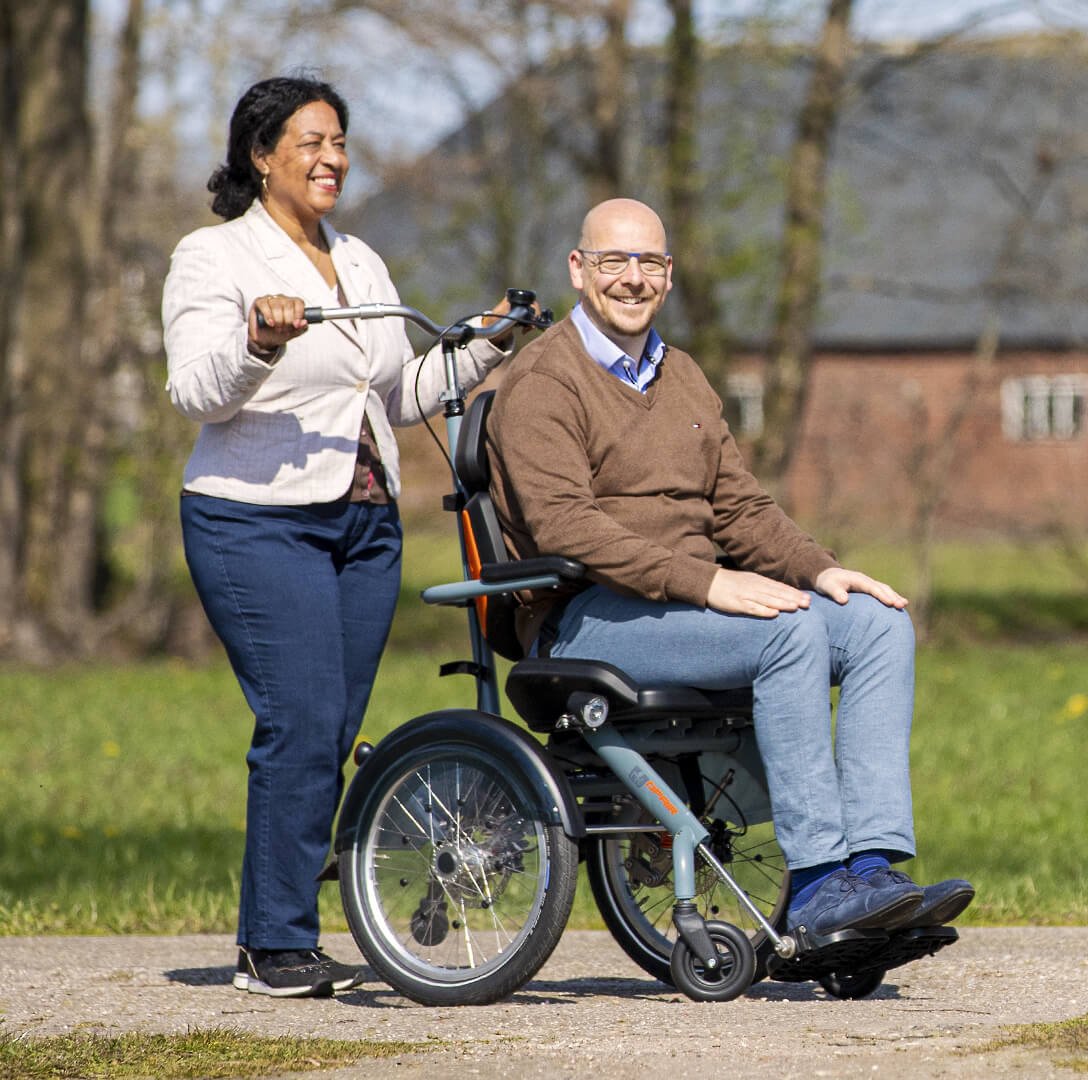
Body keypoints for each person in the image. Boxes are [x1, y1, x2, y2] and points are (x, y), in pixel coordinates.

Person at [487, 198, 974, 942]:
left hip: (683, 607)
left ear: (670, 275)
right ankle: (816, 885)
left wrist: (821, 571)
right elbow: (566, 526)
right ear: (578, 270)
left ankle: (873, 876)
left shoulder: (681, 375)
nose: (633, 278)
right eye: (614, 260)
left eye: (649, 262)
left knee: (878, 625)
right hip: (585, 616)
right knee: (787, 636)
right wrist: (708, 583)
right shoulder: (543, 381)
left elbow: (739, 509)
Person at [163, 75, 523, 997]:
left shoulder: (359, 260)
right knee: (303, 719)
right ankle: (275, 945)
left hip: (364, 521)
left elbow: (397, 395)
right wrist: (259, 341)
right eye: (312, 142)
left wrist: (482, 343)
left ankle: (276, 926)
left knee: (331, 730)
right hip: (255, 519)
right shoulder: (213, 258)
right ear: (261, 155)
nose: (333, 159)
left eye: (340, 142)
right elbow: (197, 391)